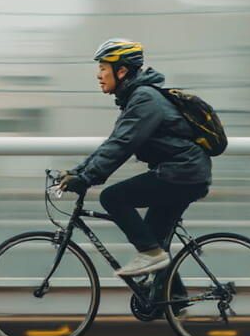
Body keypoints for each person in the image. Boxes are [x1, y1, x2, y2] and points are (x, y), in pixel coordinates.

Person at [59, 38, 212, 297]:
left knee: (113, 197)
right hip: (183, 173)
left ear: (122, 71)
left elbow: (122, 144)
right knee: (153, 238)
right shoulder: (137, 97)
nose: (98, 75)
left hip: (182, 174)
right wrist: (78, 171)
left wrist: (86, 178)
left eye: (103, 68)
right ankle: (173, 297)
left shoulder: (145, 99)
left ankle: (152, 258)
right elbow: (113, 143)